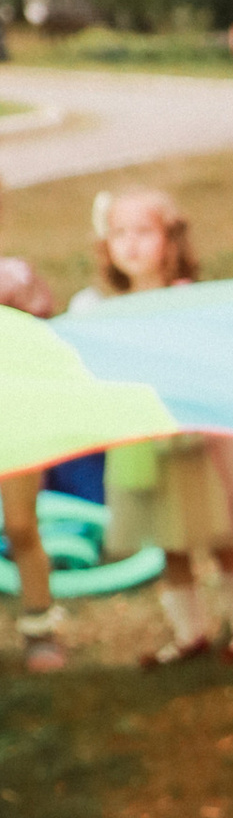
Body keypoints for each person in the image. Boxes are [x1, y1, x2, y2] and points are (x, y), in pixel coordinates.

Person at [84, 188, 233, 662]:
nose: (130, 244)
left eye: (143, 232)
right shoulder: (107, 309)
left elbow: (202, 363)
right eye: (119, 233)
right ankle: (189, 634)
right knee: (169, 542)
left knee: (217, 534)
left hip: (190, 439)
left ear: (169, 240)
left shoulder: (184, 301)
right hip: (142, 442)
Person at [1, 244, 69, 676]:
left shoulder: (14, 278)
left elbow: (47, 341)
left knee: (22, 525)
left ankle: (40, 626)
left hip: (15, 416)